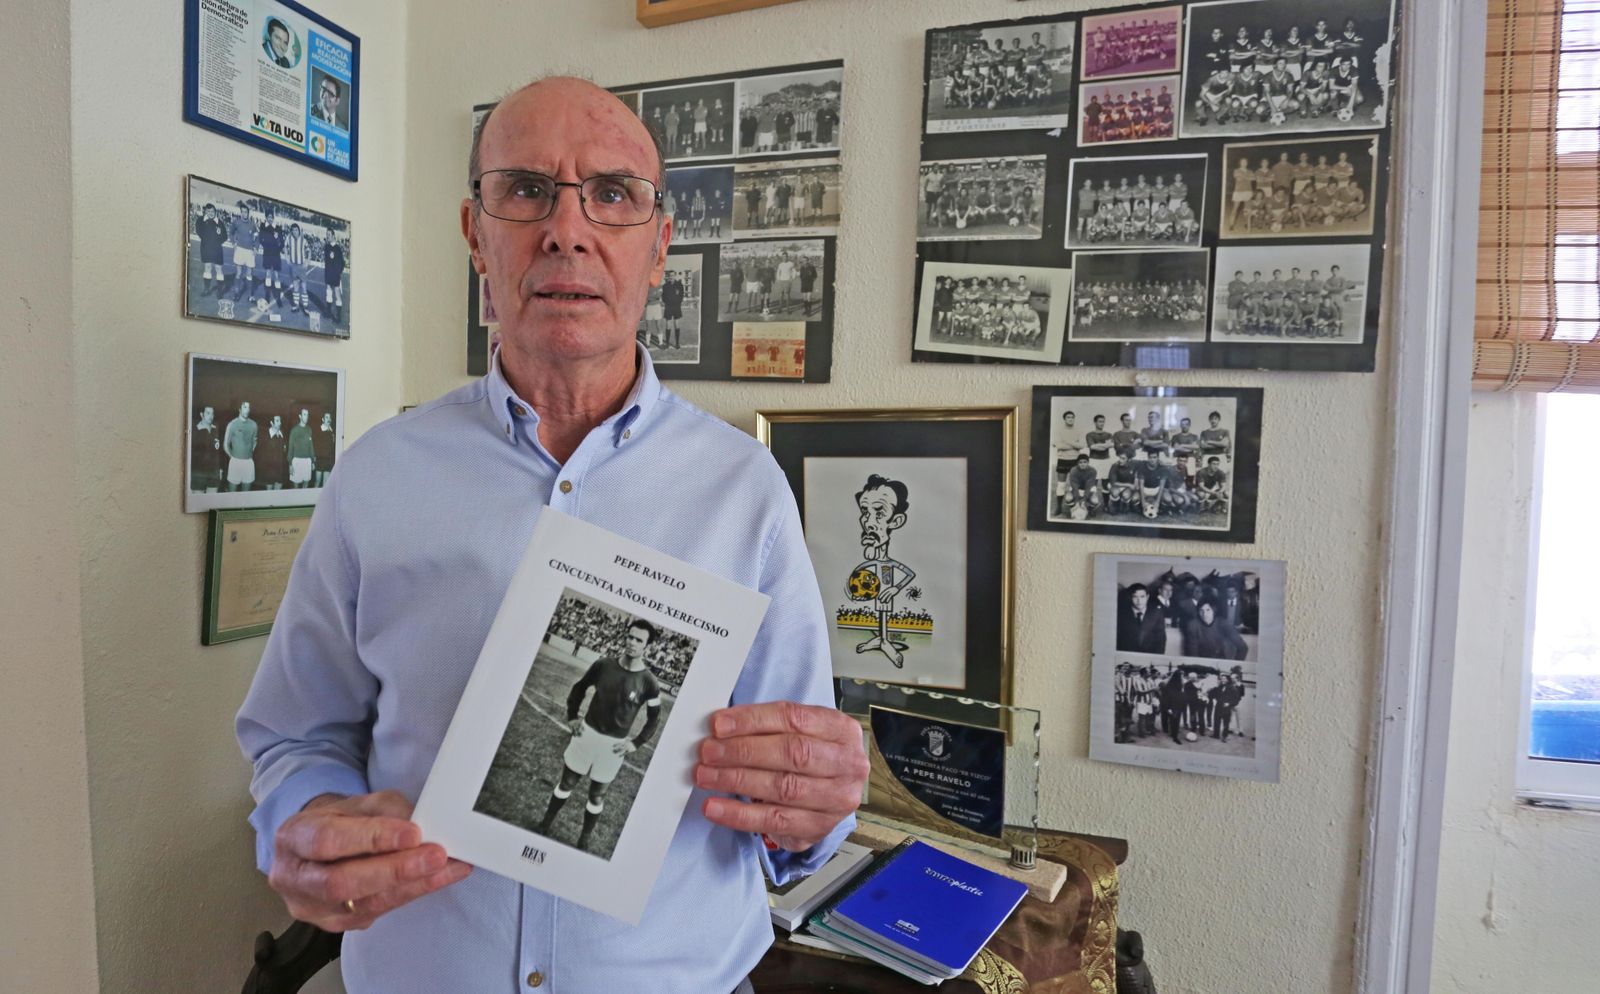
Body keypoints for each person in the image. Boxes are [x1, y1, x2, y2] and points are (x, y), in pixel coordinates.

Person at [235, 77, 866, 994]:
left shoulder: (747, 491)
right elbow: (296, 734)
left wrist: (811, 813)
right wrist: (303, 818)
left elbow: (793, 811)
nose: (566, 230)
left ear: (659, 247)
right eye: (526, 190)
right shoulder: (377, 477)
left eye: (612, 194)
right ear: (474, 233)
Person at [537, 620, 664, 851]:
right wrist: (573, 716)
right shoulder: (603, 665)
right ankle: (544, 824)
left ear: (647, 647)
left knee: (597, 796)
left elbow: (654, 718)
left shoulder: (649, 683)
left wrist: (636, 743)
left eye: (639, 640)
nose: (632, 643)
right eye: (630, 637)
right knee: (567, 783)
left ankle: (583, 840)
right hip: (586, 734)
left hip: (613, 746)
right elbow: (579, 687)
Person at [1182, 600, 1249, 661]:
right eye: (1201, 610)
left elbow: (1243, 648)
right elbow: (1193, 654)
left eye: (1208, 610)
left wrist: (1235, 666)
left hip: (1220, 662)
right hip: (1201, 663)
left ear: (1213, 610)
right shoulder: (1193, 625)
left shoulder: (1223, 624)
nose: (1204, 614)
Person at [1117, 583, 1166, 654]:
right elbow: (1118, 640)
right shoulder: (1122, 614)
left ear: (1147, 597)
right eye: (1135, 597)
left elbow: (1161, 640)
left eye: (1142, 597)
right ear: (1130, 597)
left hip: (1150, 656)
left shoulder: (1156, 613)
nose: (1139, 601)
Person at [223, 401, 258, 492]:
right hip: (235, 462)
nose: (247, 410)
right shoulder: (232, 424)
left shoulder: (254, 425)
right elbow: (225, 445)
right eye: (244, 407)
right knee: (232, 495)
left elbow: (254, 440)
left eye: (248, 407)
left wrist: (248, 452)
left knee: (246, 496)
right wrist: (234, 457)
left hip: (249, 463)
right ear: (239, 409)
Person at [192, 406, 222, 492]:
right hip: (198, 473)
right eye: (208, 413)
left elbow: (219, 452)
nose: (211, 416)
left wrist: (220, 470)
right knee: (199, 503)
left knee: (212, 503)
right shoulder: (195, 430)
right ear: (202, 414)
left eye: (212, 413)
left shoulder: (216, 428)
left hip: (213, 473)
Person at [286, 408, 315, 489]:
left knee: (306, 485)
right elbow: (290, 447)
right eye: (304, 415)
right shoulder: (294, 430)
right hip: (297, 461)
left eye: (307, 415)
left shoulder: (309, 429)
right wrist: (290, 464)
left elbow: (311, 446)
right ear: (300, 416)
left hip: (307, 461)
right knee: (296, 487)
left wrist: (312, 461)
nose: (306, 417)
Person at [259, 414, 289, 491]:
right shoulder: (265, 435)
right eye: (277, 421)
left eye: (280, 420)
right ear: (271, 423)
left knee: (278, 493)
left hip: (280, 469)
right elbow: (261, 455)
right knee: (269, 493)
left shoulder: (282, 434)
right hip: (269, 469)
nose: (280, 423)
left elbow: (285, 452)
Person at [313, 411, 336, 487]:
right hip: (319, 459)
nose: (328, 419)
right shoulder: (318, 430)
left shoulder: (332, 431)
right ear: (323, 419)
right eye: (326, 417)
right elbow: (314, 446)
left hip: (328, 460)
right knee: (317, 481)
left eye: (329, 417)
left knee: (325, 483)